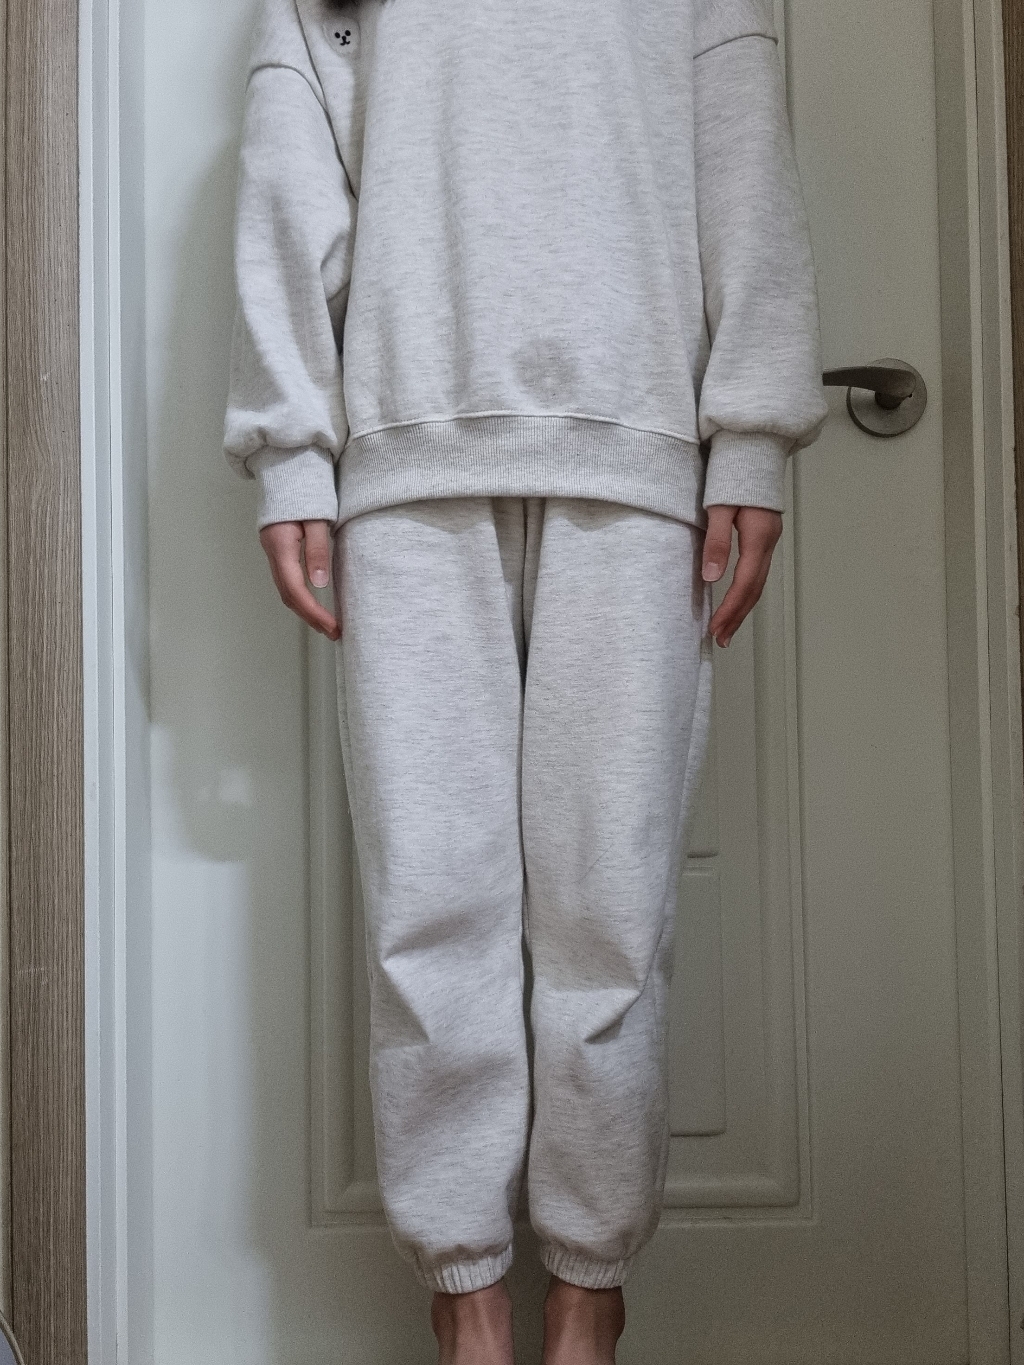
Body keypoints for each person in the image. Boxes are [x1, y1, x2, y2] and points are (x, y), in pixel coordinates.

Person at [223, 0, 828, 1359]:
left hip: (639, 462)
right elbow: (288, 156)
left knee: (610, 906)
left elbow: (743, 149)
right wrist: (289, 450)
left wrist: (752, 432)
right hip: (404, 468)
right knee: (432, 903)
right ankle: (470, 1304)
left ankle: (589, 1299)